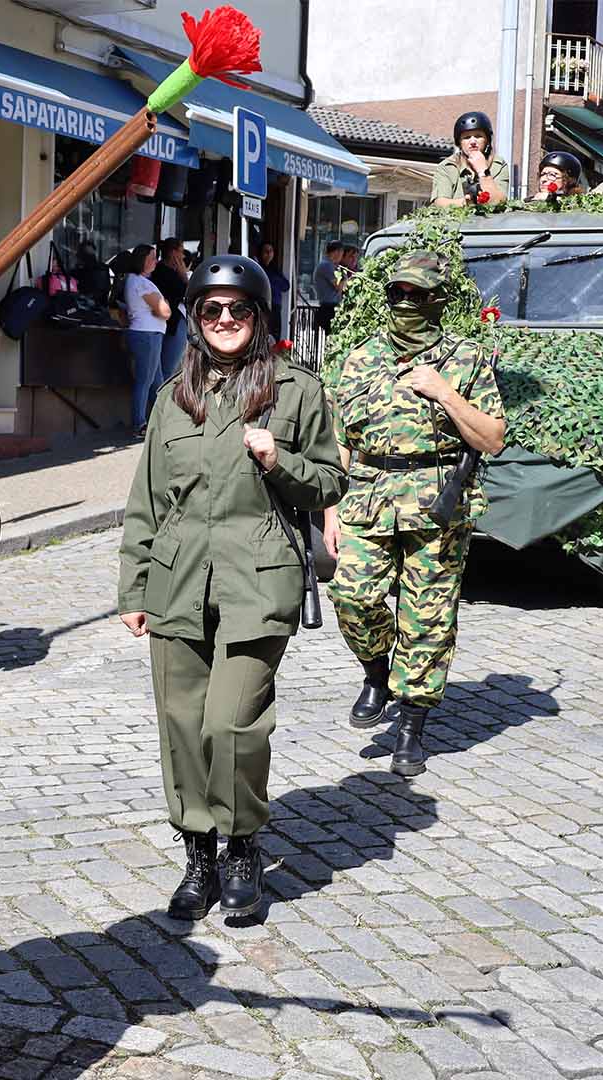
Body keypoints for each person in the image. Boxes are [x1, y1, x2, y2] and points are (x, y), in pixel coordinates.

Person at [118, 255, 345, 922]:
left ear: (258, 317)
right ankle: (199, 854)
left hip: (259, 579)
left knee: (232, 722)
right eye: (211, 309)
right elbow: (146, 501)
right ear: (195, 318)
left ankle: (241, 845)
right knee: (182, 725)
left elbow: (330, 481)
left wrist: (280, 460)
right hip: (177, 577)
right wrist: (133, 587)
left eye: (238, 309)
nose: (224, 319)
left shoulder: (296, 390)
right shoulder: (172, 397)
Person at [321, 252, 506, 776]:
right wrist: (331, 512)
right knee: (351, 596)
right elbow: (338, 442)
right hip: (367, 497)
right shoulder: (359, 359)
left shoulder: (465, 358)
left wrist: (444, 392)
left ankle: (411, 726)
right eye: (397, 293)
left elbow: (492, 438)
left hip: (436, 504)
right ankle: (376, 672)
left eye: (416, 295)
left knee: (427, 617)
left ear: (437, 300)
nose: (404, 303)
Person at [124, 243, 171, 434]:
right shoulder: (141, 283)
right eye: (152, 258)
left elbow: (161, 310)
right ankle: (139, 423)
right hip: (147, 334)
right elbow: (165, 311)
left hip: (148, 333)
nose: (156, 261)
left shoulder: (136, 281)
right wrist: (163, 303)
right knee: (145, 381)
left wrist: (161, 306)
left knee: (156, 382)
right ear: (141, 260)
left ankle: (162, 421)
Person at [430, 111, 509, 207]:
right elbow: (440, 203)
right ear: (459, 143)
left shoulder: (498, 165)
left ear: (487, 140)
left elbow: (498, 202)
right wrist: (466, 203)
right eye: (467, 137)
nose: (473, 142)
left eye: (478, 136)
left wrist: (483, 171)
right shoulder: (447, 167)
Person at [150, 237, 191, 385]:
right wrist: (183, 275)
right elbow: (189, 294)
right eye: (181, 251)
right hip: (172, 324)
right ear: (173, 253)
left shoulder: (161, 271)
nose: (183, 256)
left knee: (162, 370)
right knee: (167, 370)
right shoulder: (167, 273)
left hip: (168, 324)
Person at [313, 240, 347, 333]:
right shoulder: (326, 265)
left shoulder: (330, 265)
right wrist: (345, 278)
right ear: (337, 252)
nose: (341, 257)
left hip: (330, 305)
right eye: (341, 254)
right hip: (329, 306)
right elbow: (338, 286)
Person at [259, 240, 291, 336]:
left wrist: (273, 280)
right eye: (266, 251)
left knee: (275, 335)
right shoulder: (258, 268)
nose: (269, 254)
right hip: (263, 306)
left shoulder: (275, 269)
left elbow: (286, 286)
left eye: (271, 251)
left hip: (275, 306)